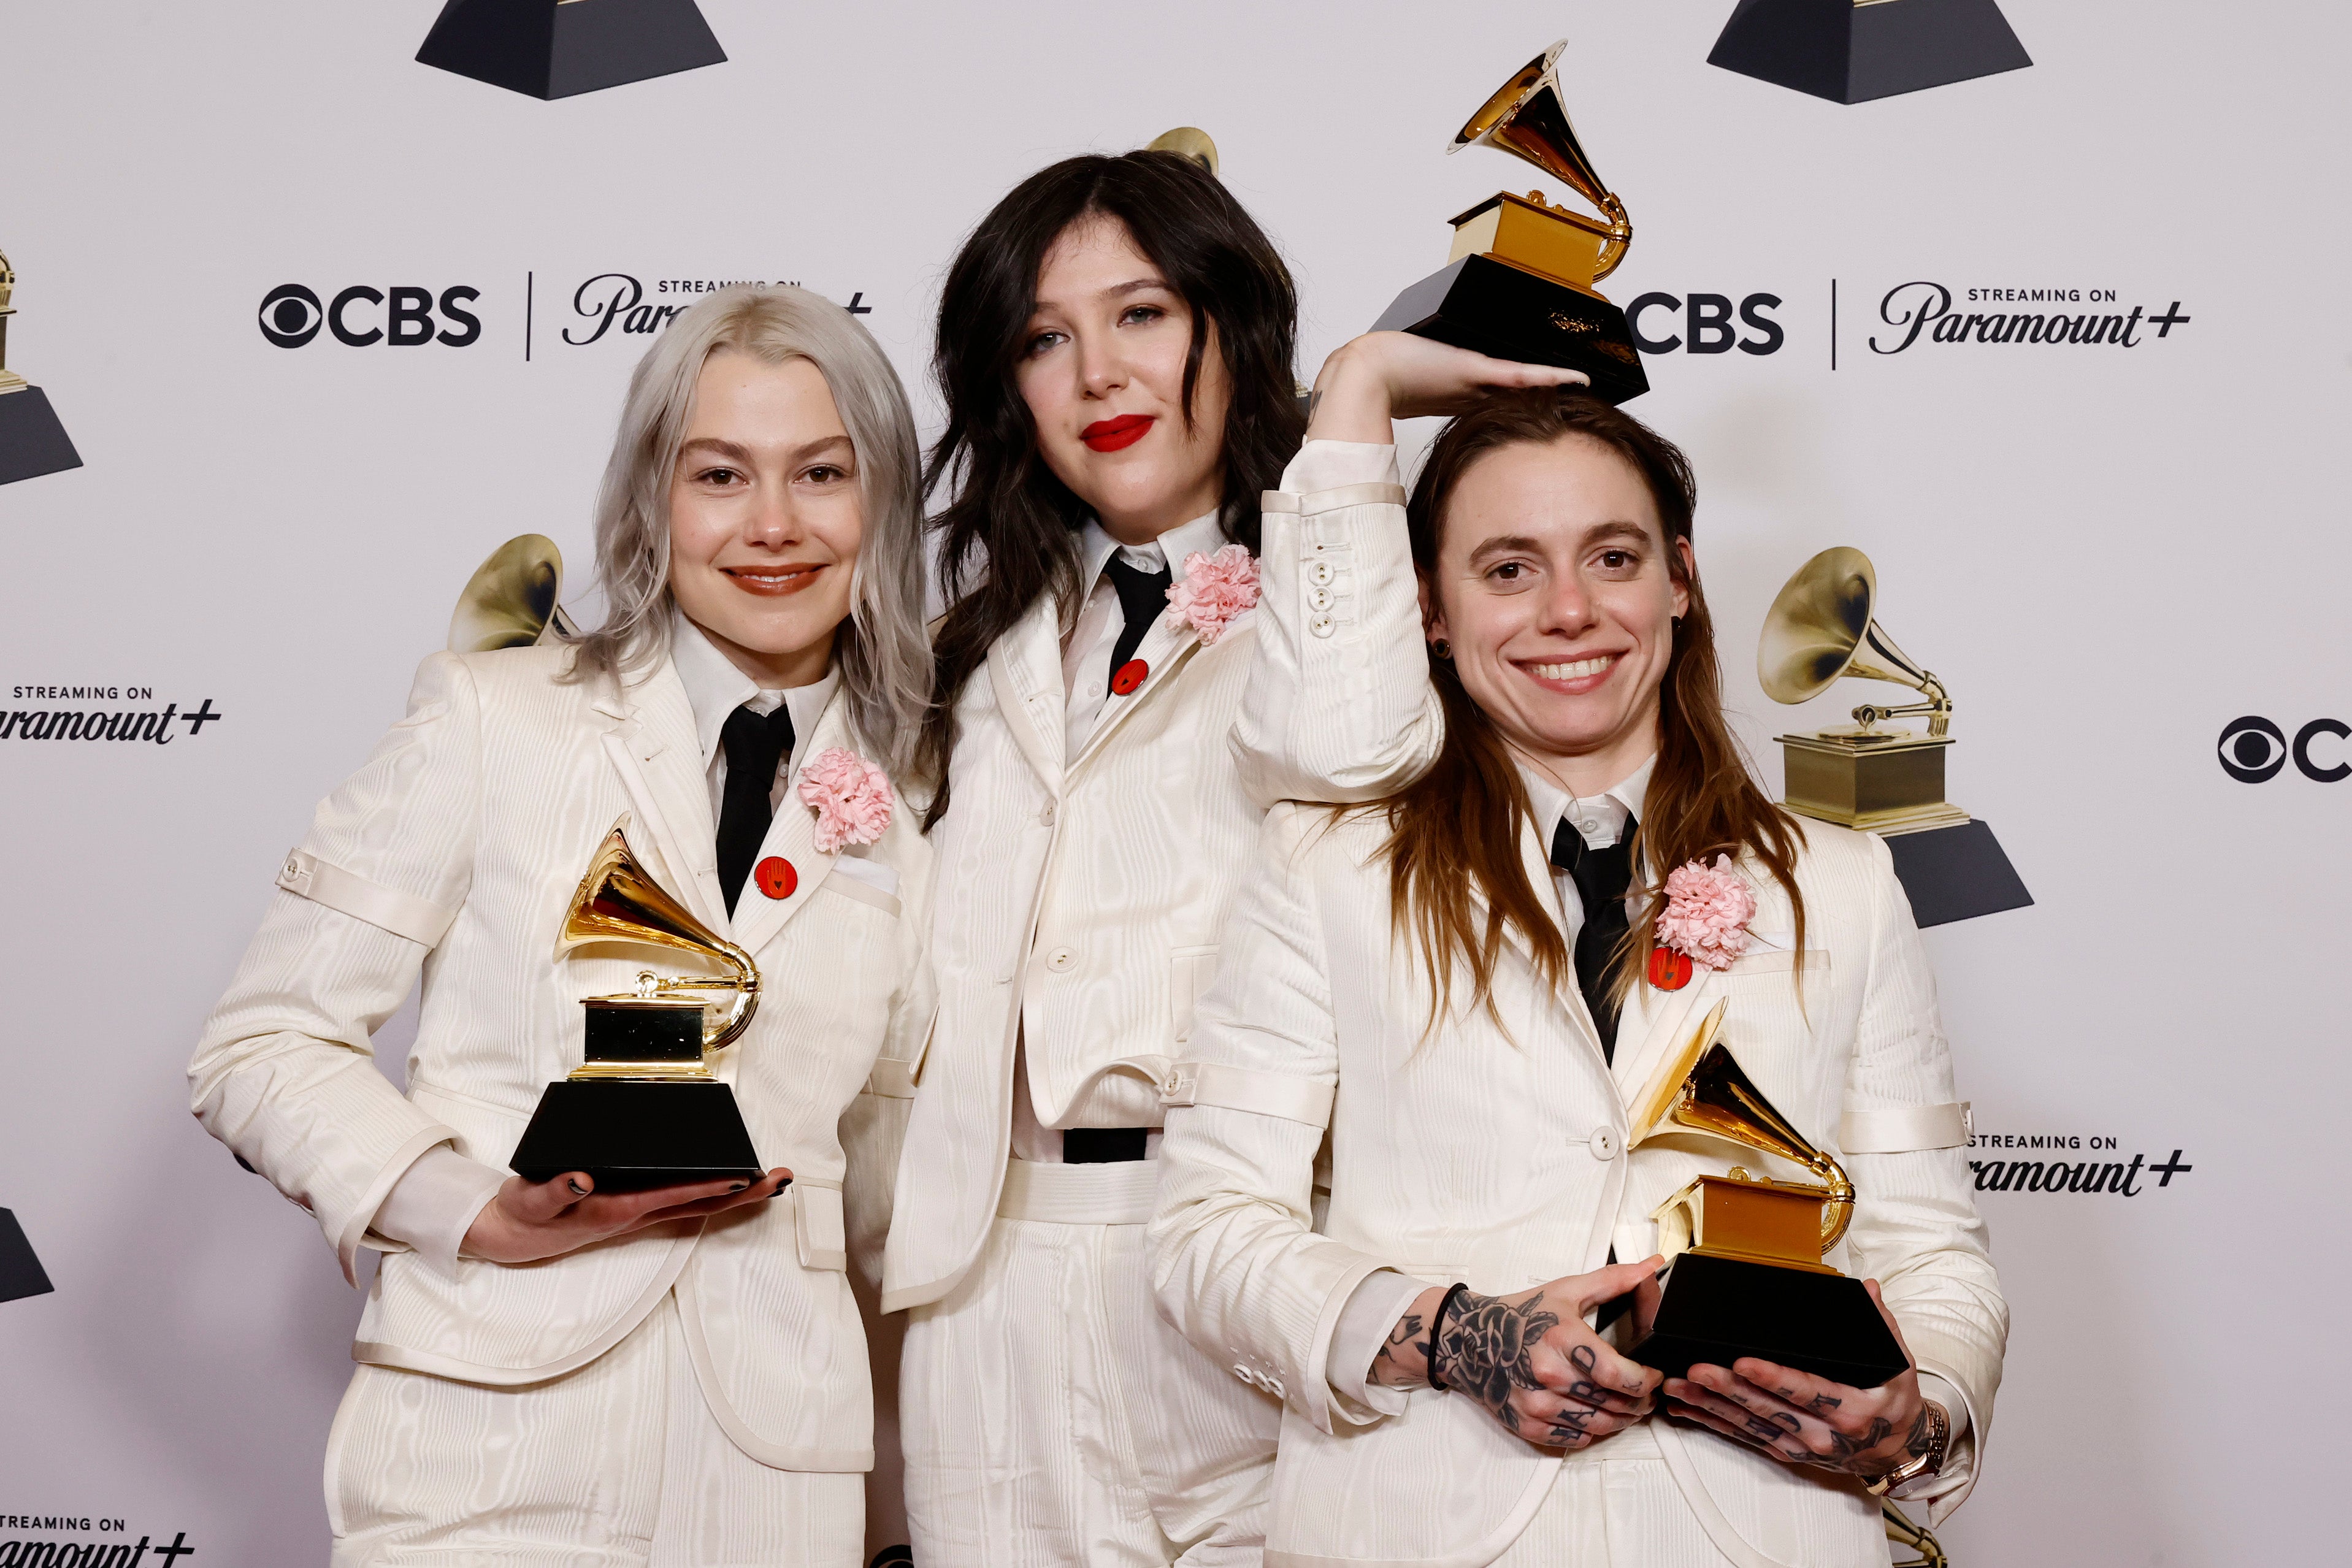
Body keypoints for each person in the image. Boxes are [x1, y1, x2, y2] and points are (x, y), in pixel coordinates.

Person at [1147, 383, 2007, 1567]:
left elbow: (1933, 1249)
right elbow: (1209, 1231)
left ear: (1681, 581)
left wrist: (1924, 1411)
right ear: (1430, 611)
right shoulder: (1322, 866)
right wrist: (1453, 1335)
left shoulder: (1846, 883)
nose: (1568, 611)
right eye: (1507, 568)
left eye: (1611, 556)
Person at [880, 146, 1583, 1566]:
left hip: (1249, 1264)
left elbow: (1344, 751)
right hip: (986, 1284)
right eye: (1044, 338)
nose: (1097, 378)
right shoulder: (967, 649)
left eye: (1139, 315)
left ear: (1227, 323)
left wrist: (1357, 407)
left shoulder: (1345, 592)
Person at [188, 286, 935, 1568]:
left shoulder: (917, 797)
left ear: (884, 506)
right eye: (720, 474)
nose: (773, 525)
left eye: (823, 472)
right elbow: (261, 1045)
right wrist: (465, 1205)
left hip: (781, 1474)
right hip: (487, 1443)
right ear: (654, 501)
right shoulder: (490, 718)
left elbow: (892, 1183)